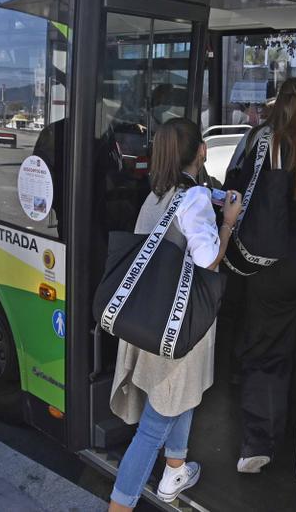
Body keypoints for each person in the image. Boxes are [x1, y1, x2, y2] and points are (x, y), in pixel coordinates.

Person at [108, 118, 243, 511]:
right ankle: (119, 505)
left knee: (179, 397)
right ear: (201, 152)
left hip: (150, 317)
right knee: (154, 426)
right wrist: (229, 223)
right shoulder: (195, 198)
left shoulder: (156, 195)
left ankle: (175, 470)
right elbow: (208, 259)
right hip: (180, 324)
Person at [235, 76, 296, 473]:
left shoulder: (280, 141)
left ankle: (259, 441)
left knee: (268, 349)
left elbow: (257, 201)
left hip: (277, 263)